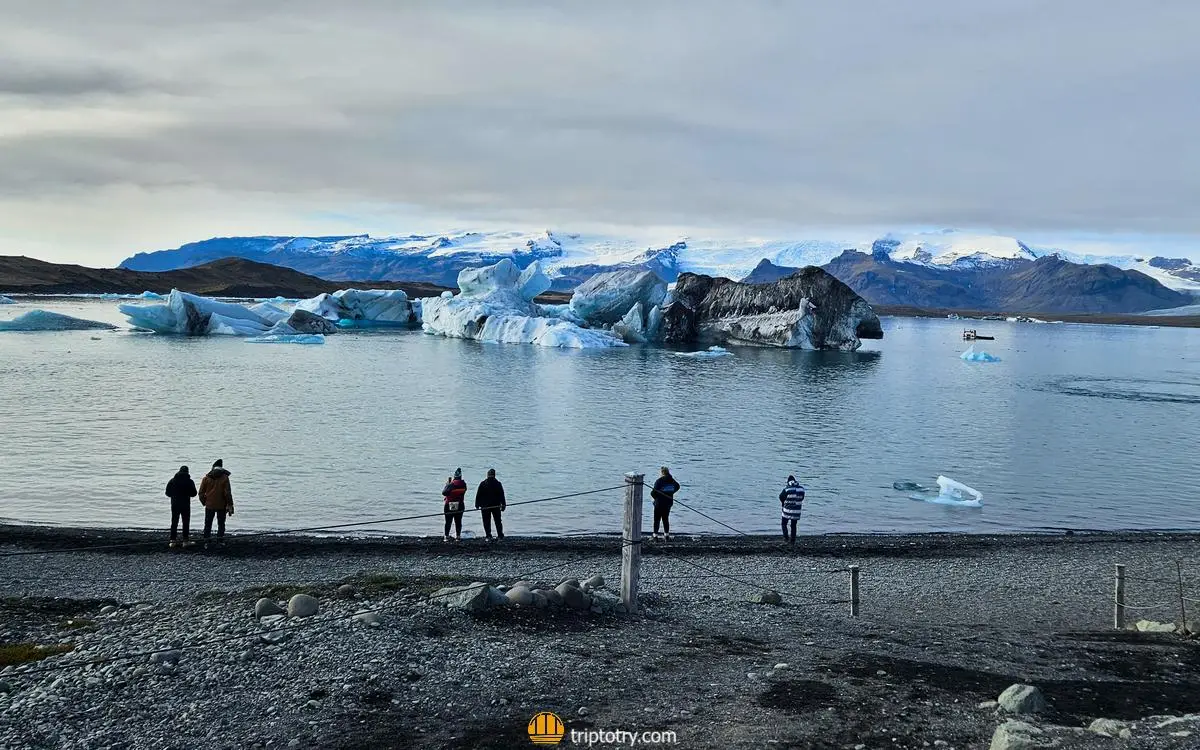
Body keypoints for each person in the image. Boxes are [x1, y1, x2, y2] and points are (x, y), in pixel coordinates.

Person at [199, 459, 234, 545]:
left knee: (208, 523)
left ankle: (206, 540)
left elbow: (200, 493)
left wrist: (205, 502)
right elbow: (227, 493)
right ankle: (220, 540)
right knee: (221, 524)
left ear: (213, 468)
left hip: (209, 505)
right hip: (221, 505)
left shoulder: (206, 478)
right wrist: (230, 504)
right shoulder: (225, 478)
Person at [164, 465, 197, 549]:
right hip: (185, 504)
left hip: (175, 504)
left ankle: (172, 541)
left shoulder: (172, 480)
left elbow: (167, 493)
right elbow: (194, 493)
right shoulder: (190, 481)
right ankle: (185, 541)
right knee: (185, 522)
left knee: (174, 522)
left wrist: (174, 495)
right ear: (187, 472)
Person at [475, 468, 506, 541]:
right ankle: (500, 535)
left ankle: (488, 535)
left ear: (487, 475)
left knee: (486, 521)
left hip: (485, 506)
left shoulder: (483, 483)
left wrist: (477, 504)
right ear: (494, 475)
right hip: (496, 505)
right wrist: (503, 505)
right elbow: (502, 495)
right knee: (498, 521)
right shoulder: (498, 484)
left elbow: (478, 495)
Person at [650, 466, 680, 540]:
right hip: (668, 503)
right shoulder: (672, 480)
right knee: (665, 519)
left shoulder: (659, 481)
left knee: (657, 519)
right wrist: (671, 492)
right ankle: (666, 535)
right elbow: (678, 486)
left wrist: (656, 498)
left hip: (659, 503)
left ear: (662, 472)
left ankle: (655, 536)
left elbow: (653, 493)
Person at [779, 475, 805, 545]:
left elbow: (781, 497)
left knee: (784, 523)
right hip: (797, 511)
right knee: (793, 525)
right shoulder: (801, 489)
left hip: (787, 510)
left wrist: (783, 503)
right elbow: (802, 498)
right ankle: (792, 540)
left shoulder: (787, 489)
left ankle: (786, 538)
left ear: (788, 482)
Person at [442, 470, 467, 542]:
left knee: (448, 521)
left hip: (450, 504)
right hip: (460, 504)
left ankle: (446, 536)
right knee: (458, 521)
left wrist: (447, 484)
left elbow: (444, 493)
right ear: (461, 476)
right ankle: (458, 536)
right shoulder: (464, 484)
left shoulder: (451, 484)